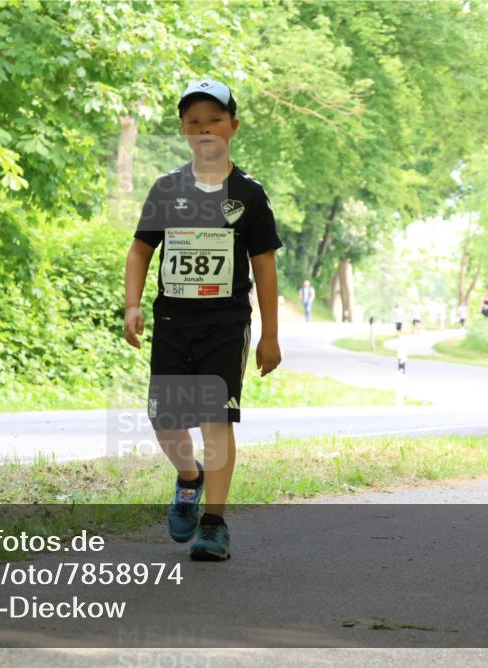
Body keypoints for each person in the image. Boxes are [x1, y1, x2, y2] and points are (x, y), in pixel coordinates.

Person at [124, 80, 282, 561]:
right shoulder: (167, 188)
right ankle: (189, 478)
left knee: (216, 418)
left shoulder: (249, 194)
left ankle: (214, 522)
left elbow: (264, 266)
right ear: (183, 130)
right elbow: (140, 250)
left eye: (215, 119)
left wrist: (270, 335)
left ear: (233, 126)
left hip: (226, 323)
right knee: (166, 421)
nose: (205, 128)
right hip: (173, 319)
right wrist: (132, 305)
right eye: (194, 121)